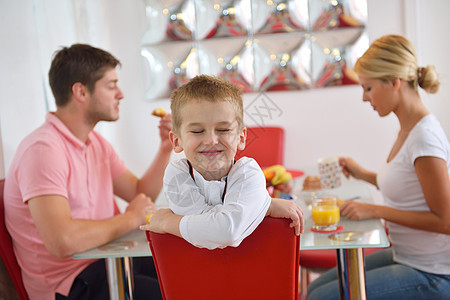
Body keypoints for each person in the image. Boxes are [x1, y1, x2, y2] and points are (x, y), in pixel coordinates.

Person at [4, 44, 172, 300]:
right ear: (81, 91)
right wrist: (130, 218)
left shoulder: (95, 143)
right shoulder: (42, 150)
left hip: (108, 260)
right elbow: (62, 240)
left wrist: (165, 149)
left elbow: (139, 194)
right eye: (111, 85)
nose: (121, 94)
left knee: (188, 268)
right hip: (71, 284)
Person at [307, 34, 450, 299]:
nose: (364, 98)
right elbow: (411, 186)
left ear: (395, 82)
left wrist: (374, 210)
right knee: (314, 289)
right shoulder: (409, 129)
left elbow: (445, 220)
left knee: (320, 297)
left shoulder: (424, 138)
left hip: (434, 272)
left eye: (368, 88)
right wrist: (362, 174)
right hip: (406, 255)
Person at [140, 75, 304, 249]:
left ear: (241, 138)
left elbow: (226, 231)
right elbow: (214, 231)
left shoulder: (248, 172)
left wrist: (168, 222)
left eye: (223, 129)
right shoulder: (177, 175)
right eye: (197, 131)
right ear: (176, 141)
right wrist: (262, 208)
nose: (211, 140)